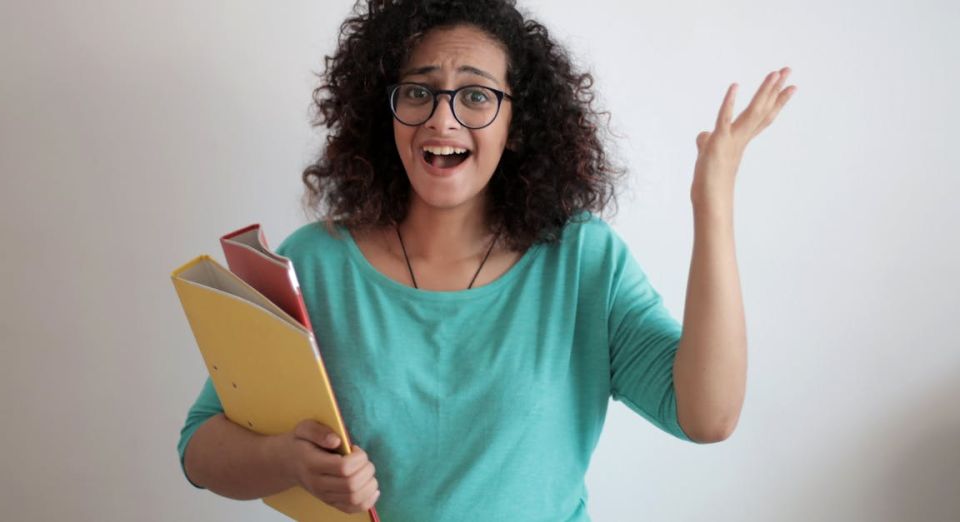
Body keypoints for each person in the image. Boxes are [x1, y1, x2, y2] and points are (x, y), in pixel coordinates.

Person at [176, 0, 795, 520]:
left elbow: (708, 416)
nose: (442, 118)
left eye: (476, 95)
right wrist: (288, 461)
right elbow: (200, 447)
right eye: (419, 91)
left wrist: (711, 200)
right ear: (383, 112)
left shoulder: (581, 261)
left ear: (517, 122)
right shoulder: (314, 264)